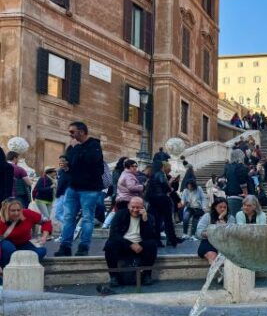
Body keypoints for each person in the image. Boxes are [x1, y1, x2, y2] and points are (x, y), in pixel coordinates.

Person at [54, 121, 105, 257]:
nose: (69, 134)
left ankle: (83, 247)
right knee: (68, 217)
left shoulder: (94, 145)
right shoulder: (73, 146)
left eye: (72, 132)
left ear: (81, 132)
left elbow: (90, 162)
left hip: (89, 189)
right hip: (72, 187)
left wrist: (76, 149)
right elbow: (68, 159)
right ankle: (65, 246)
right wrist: (63, 161)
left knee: (87, 218)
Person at [102, 196, 158, 288]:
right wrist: (130, 244)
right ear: (128, 206)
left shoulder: (149, 217)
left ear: (143, 207)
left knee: (152, 244)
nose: (135, 209)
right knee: (110, 244)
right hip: (124, 244)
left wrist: (145, 220)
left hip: (140, 245)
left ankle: (147, 275)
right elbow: (114, 234)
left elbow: (151, 236)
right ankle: (113, 276)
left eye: (138, 207)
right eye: (133, 207)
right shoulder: (120, 214)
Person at [0, 198, 51, 274]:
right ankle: (6, 271)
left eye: (18, 210)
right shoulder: (1, 221)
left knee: (41, 251)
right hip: (6, 244)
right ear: (6, 211)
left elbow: (46, 221)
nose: (17, 213)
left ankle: (21, 268)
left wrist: (44, 236)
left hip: (24, 244)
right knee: (9, 248)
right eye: (13, 211)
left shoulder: (27, 213)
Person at [146, 160, 181, 248]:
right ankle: (172, 240)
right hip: (162, 199)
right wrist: (170, 188)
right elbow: (164, 186)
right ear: (165, 167)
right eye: (169, 168)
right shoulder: (161, 174)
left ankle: (157, 240)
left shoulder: (154, 174)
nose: (170, 170)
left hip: (153, 199)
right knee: (168, 220)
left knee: (157, 221)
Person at [196, 198, 230, 266]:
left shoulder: (230, 218)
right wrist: (210, 233)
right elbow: (199, 232)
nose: (223, 209)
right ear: (215, 207)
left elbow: (231, 233)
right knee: (212, 256)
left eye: (224, 207)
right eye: (220, 207)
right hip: (209, 242)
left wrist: (221, 219)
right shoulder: (207, 216)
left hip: (225, 243)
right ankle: (217, 275)